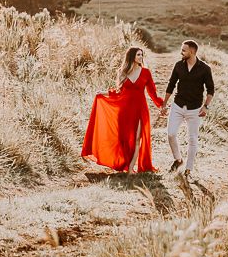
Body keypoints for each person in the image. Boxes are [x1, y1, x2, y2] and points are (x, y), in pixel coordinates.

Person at [81, 47, 164, 173]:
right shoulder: (122, 72)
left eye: (142, 55)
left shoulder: (146, 72)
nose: (141, 57)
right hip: (124, 110)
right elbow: (119, 92)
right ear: (132, 57)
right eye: (138, 55)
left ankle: (131, 168)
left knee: (137, 139)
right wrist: (103, 93)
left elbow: (152, 93)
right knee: (124, 139)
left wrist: (161, 105)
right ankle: (123, 164)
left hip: (140, 110)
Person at [160, 40, 215, 181]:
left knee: (192, 139)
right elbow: (171, 85)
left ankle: (188, 169)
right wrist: (164, 104)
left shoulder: (204, 68)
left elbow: (210, 90)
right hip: (177, 106)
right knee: (171, 134)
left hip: (195, 109)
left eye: (184, 50)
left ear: (192, 52)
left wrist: (205, 106)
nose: (181, 52)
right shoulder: (179, 66)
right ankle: (178, 159)